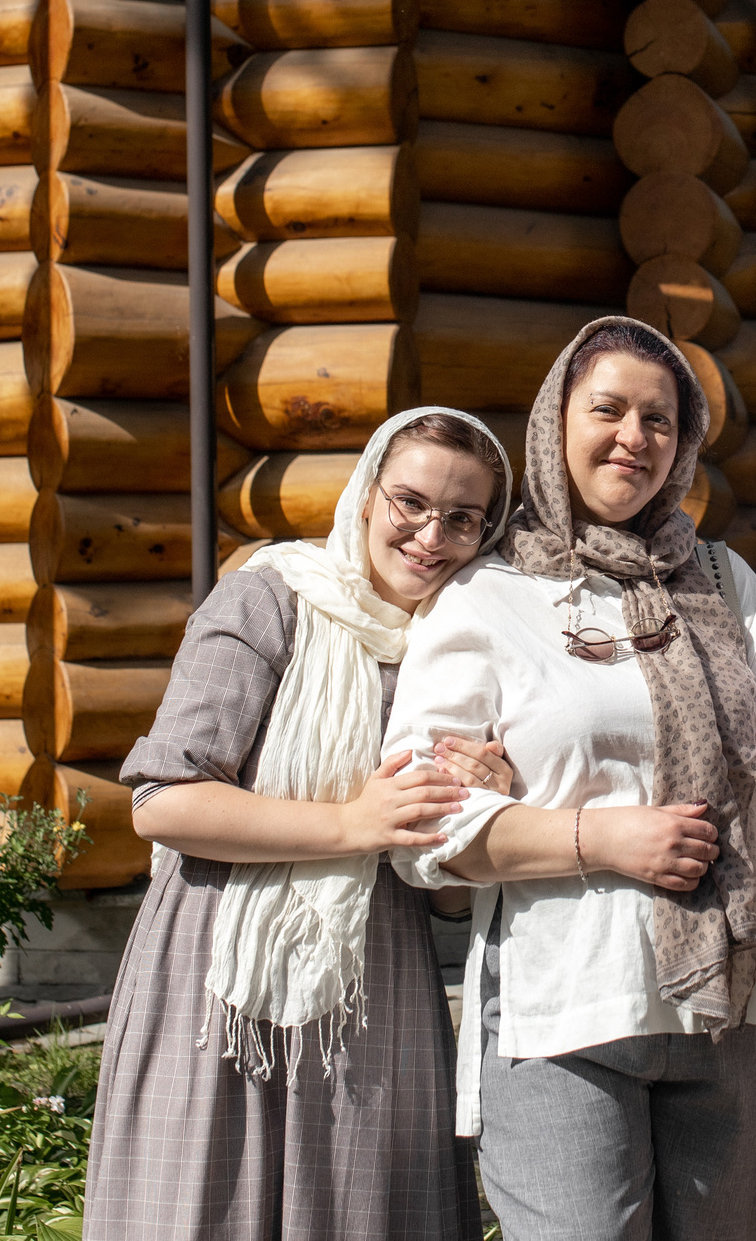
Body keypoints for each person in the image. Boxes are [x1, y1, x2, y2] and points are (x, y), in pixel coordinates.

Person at [382, 316, 756, 1241]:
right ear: (558, 420)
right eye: (609, 409)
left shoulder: (722, 582)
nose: (634, 436)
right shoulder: (488, 595)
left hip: (735, 1012)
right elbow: (421, 825)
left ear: (684, 444)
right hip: (567, 1008)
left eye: (660, 420)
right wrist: (599, 838)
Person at [84, 407, 517, 1241]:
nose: (432, 534)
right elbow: (164, 801)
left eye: (464, 518)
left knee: (360, 1213)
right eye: (411, 503)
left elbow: (449, 901)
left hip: (376, 968)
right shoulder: (271, 595)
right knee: (205, 1211)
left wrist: (477, 817)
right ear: (365, 497)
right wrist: (354, 823)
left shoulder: (466, 647)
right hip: (216, 968)